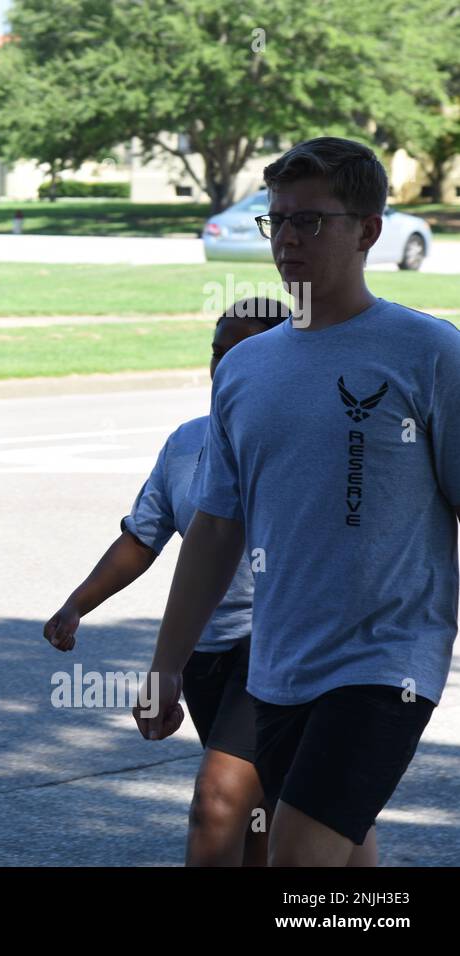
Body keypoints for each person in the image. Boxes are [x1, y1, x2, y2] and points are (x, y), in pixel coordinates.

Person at [134, 137, 460, 866]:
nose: (285, 238)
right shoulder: (246, 366)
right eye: (275, 220)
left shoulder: (429, 353)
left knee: (296, 855)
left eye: (309, 221)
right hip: (278, 667)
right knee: (345, 852)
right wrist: (165, 662)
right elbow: (215, 531)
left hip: (387, 662)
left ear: (368, 229)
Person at [44, 297, 286, 866]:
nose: (223, 368)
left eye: (242, 353)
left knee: (218, 801)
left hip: (276, 649)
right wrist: (76, 604)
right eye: (216, 352)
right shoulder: (186, 441)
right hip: (204, 651)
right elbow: (142, 537)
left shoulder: (298, 441)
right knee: (263, 815)